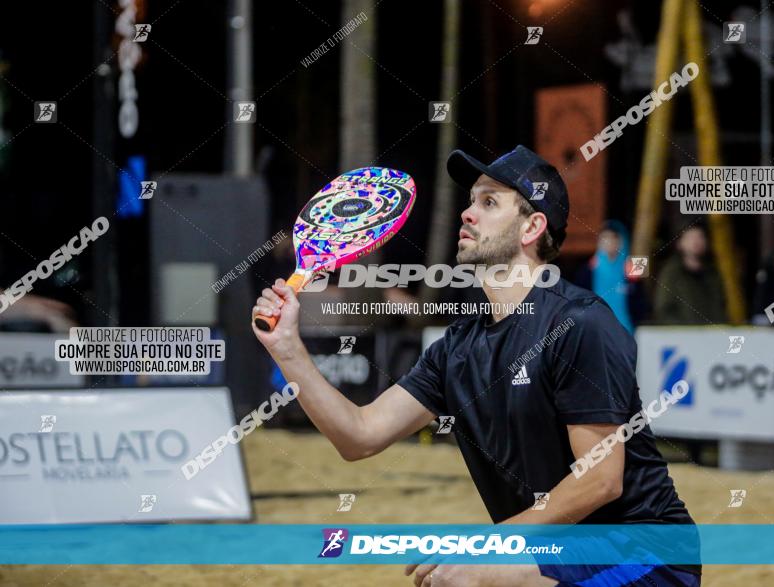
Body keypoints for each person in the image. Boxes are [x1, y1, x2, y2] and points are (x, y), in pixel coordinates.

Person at [253, 145, 700, 586]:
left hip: (644, 556)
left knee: (467, 576)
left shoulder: (580, 323)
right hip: (557, 553)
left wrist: (487, 547)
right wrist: (288, 348)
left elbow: (600, 482)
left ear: (532, 227)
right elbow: (359, 435)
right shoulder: (458, 347)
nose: (468, 214)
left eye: (489, 202)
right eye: (471, 202)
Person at [573, 221, 647, 333]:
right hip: (596, 331)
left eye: (614, 238)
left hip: (628, 331)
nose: (609, 242)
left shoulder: (634, 267)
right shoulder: (589, 268)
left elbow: (642, 301)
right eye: (605, 238)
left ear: (622, 241)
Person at [654, 223, 727, 324]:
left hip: (712, 334)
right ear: (680, 243)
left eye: (700, 237)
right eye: (690, 238)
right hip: (683, 335)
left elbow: (721, 306)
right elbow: (664, 309)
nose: (696, 242)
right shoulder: (671, 273)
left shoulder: (714, 273)